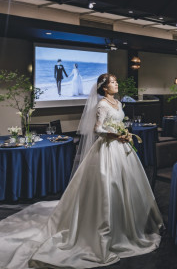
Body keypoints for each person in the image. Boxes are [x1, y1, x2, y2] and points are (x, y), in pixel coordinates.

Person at [0, 73, 164, 268]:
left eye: (116, 81)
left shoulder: (118, 103)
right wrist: (115, 134)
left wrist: (124, 133)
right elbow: (97, 129)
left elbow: (119, 122)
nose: (116, 84)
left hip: (123, 150)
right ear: (104, 87)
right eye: (113, 82)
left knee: (128, 186)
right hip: (108, 149)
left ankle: (131, 226)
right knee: (106, 187)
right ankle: (105, 229)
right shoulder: (102, 104)